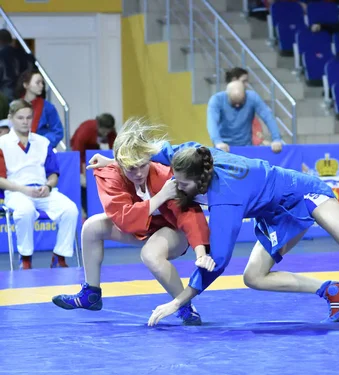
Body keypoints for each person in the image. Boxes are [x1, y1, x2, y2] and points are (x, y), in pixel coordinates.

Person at [93, 137, 339, 328]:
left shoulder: (226, 201)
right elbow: (153, 154)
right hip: (273, 212)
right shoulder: (190, 157)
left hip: (305, 193)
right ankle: (331, 290)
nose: (174, 186)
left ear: (201, 181)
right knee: (255, 277)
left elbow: (217, 262)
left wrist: (176, 302)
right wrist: (114, 161)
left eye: (181, 184)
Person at [51, 118, 210, 325]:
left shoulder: (164, 175)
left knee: (150, 255)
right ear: (119, 163)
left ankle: (184, 305)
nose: (137, 173)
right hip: (140, 226)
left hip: (172, 231)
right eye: (130, 168)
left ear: (149, 158)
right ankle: (91, 294)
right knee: (91, 227)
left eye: (142, 166)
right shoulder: (112, 175)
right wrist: (159, 197)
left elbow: (188, 215)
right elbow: (124, 219)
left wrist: (200, 251)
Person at [0, 99, 78, 269]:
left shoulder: (43, 142)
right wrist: (24, 189)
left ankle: (60, 256)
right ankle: (26, 258)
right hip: (16, 191)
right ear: (10, 118)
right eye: (20, 118)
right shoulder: (2, 143)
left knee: (70, 209)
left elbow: (53, 174)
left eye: (28, 117)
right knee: (25, 211)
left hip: (43, 190)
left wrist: (48, 186)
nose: (25, 121)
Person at [207, 80, 283, 153]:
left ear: (245, 94)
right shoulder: (216, 100)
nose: (237, 105)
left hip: (246, 147)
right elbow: (212, 122)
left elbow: (268, 116)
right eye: (234, 102)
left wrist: (276, 139)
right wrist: (217, 141)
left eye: (240, 102)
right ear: (227, 94)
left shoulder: (252, 97)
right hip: (223, 146)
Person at [16, 70, 64, 149]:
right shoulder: (15, 105)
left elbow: (57, 131)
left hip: (41, 150)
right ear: (26, 85)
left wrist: (42, 142)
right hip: (18, 150)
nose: (41, 86)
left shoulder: (48, 107)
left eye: (42, 83)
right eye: (38, 83)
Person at [225, 67, 270, 147]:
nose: (246, 85)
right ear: (234, 80)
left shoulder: (250, 99)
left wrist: (259, 137)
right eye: (244, 81)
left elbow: (254, 123)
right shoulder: (220, 103)